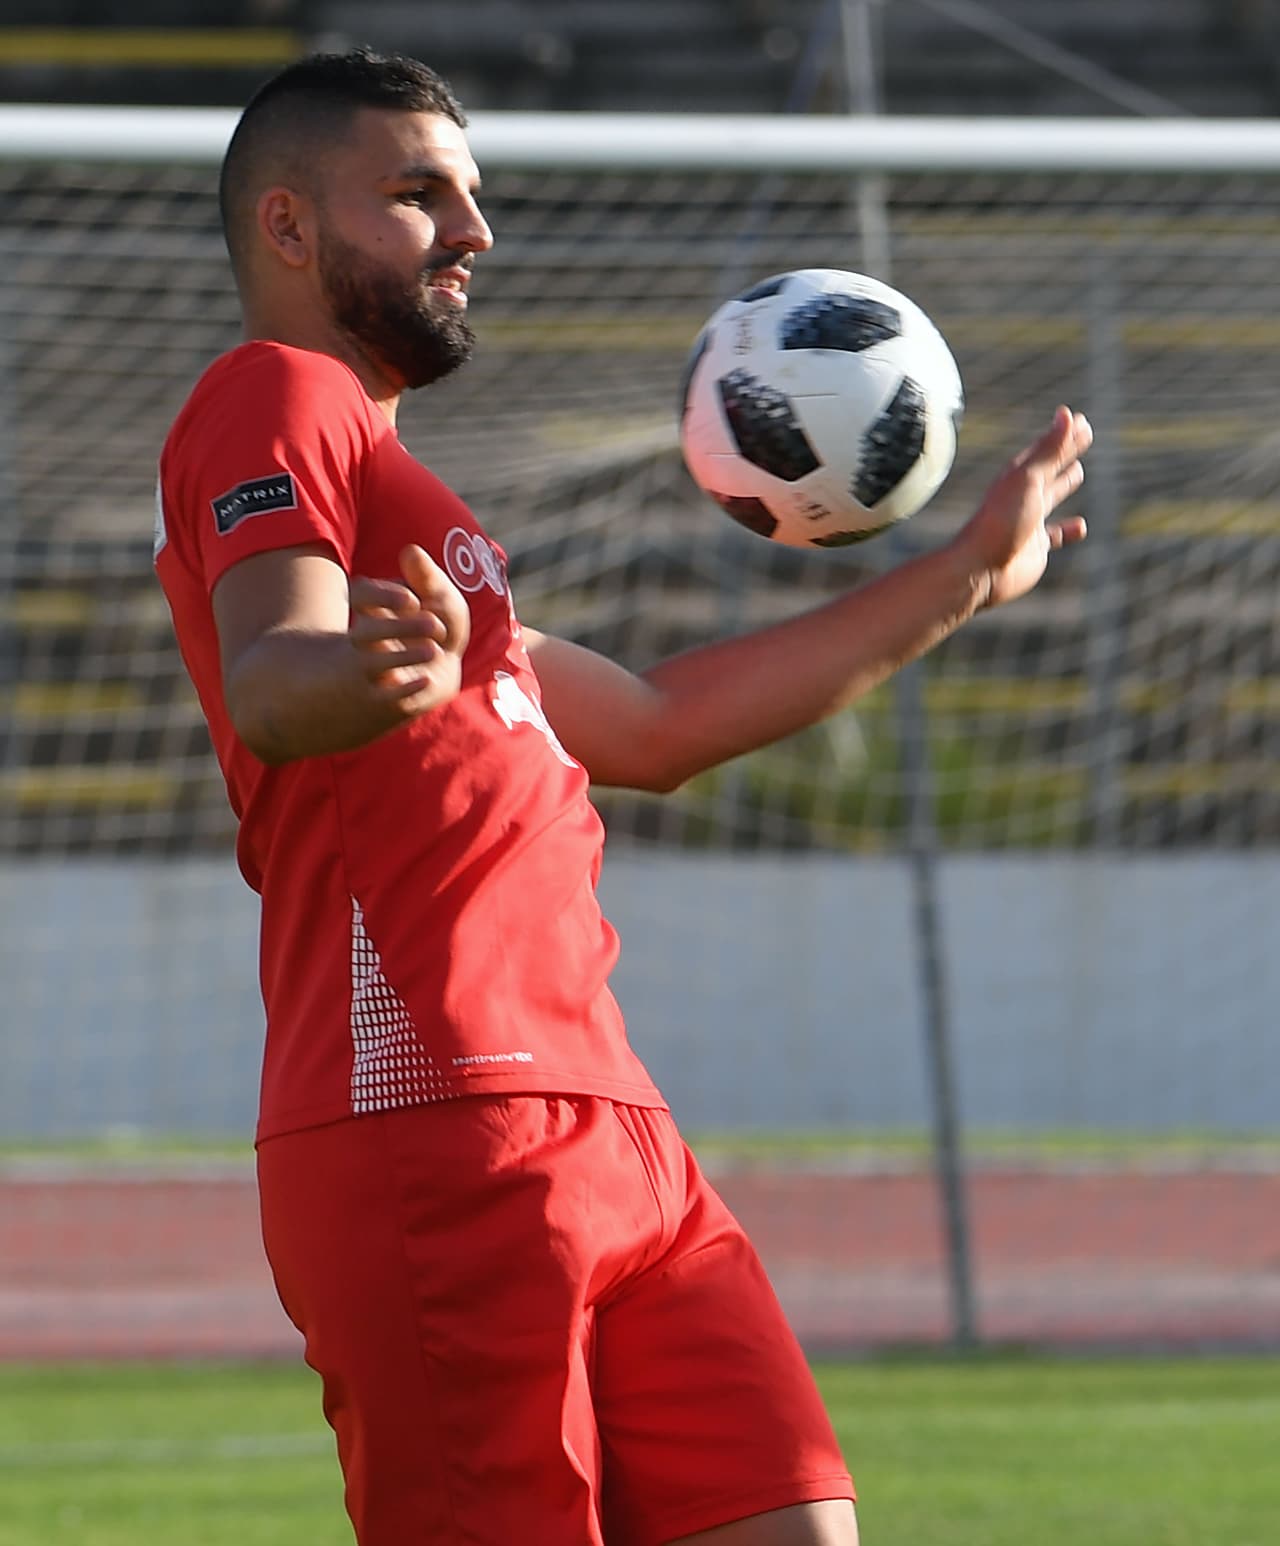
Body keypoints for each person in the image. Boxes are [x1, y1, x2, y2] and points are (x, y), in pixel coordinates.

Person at [154, 46, 1091, 1546]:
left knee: (795, 1524)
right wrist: (369, 675)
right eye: (416, 194)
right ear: (285, 228)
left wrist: (963, 575)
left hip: (616, 1130)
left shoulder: (441, 542)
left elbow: (660, 722)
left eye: (471, 194)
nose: (473, 233)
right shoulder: (273, 395)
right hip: (437, 1119)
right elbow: (273, 677)